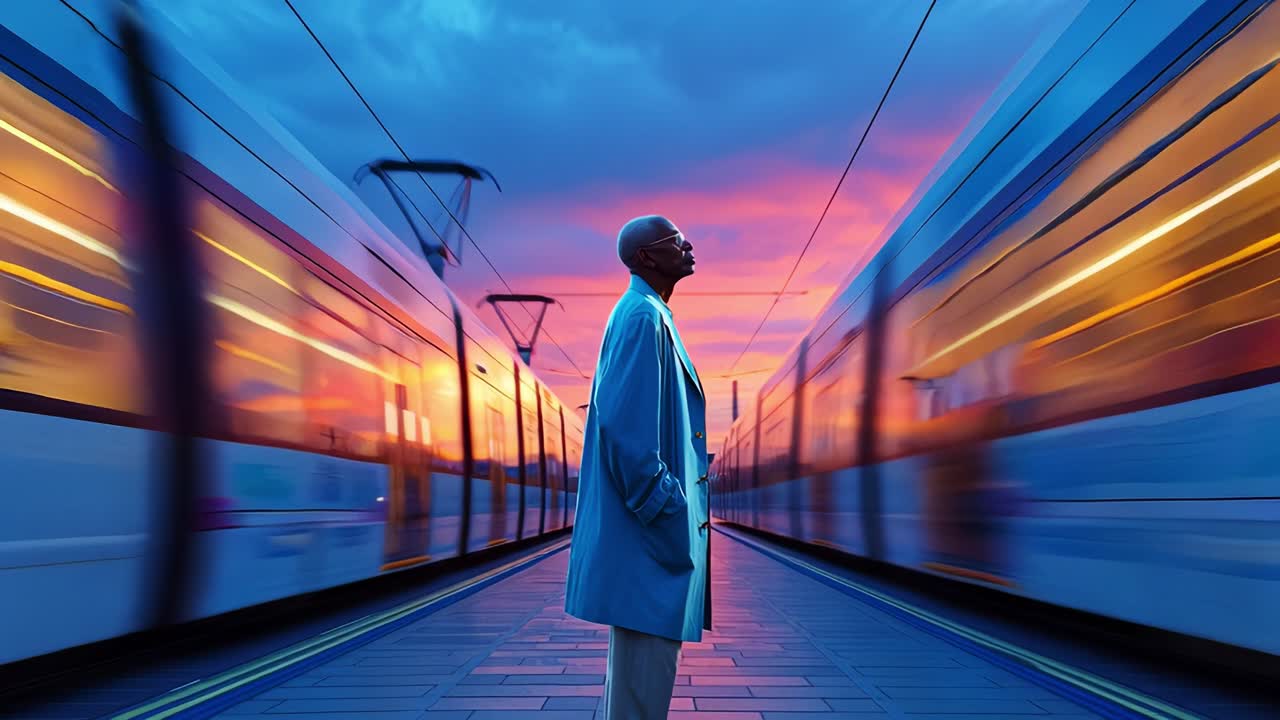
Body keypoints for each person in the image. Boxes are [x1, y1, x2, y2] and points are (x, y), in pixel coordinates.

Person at [564, 214, 712, 719]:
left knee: (634, 693)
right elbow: (625, 432)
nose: (688, 246)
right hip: (649, 542)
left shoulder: (648, 313)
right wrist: (666, 509)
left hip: (649, 541)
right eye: (675, 241)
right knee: (641, 698)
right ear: (647, 257)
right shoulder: (641, 317)